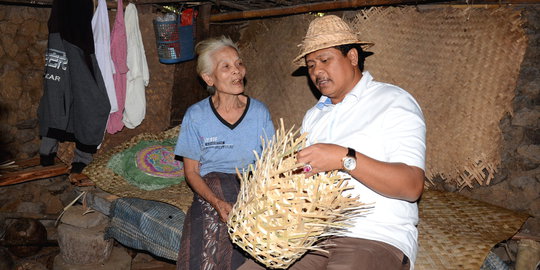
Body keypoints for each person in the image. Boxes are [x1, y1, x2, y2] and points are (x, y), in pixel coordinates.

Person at [239, 15, 426, 270]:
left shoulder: (393, 101)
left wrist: (343, 158)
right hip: (312, 239)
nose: (316, 71)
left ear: (352, 57)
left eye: (325, 60)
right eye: (311, 65)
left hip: (375, 236)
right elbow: (305, 180)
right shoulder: (314, 117)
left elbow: (412, 186)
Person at [174, 36, 275, 270]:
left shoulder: (259, 112)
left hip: (251, 187)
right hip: (211, 188)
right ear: (209, 78)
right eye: (226, 67)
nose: (237, 71)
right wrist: (216, 202)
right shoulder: (196, 115)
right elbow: (192, 172)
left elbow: (270, 164)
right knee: (206, 232)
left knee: (246, 233)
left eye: (239, 64)